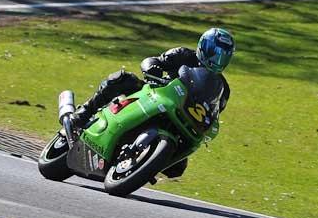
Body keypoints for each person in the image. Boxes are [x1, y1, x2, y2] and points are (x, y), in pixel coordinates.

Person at [71, 27, 235, 177]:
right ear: (203, 47)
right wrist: (152, 69)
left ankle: (141, 164)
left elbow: (214, 111)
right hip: (158, 95)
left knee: (177, 168)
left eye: (223, 55)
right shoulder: (183, 54)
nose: (217, 59)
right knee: (123, 80)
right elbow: (153, 60)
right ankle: (85, 112)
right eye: (214, 52)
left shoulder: (223, 89)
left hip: (184, 118)